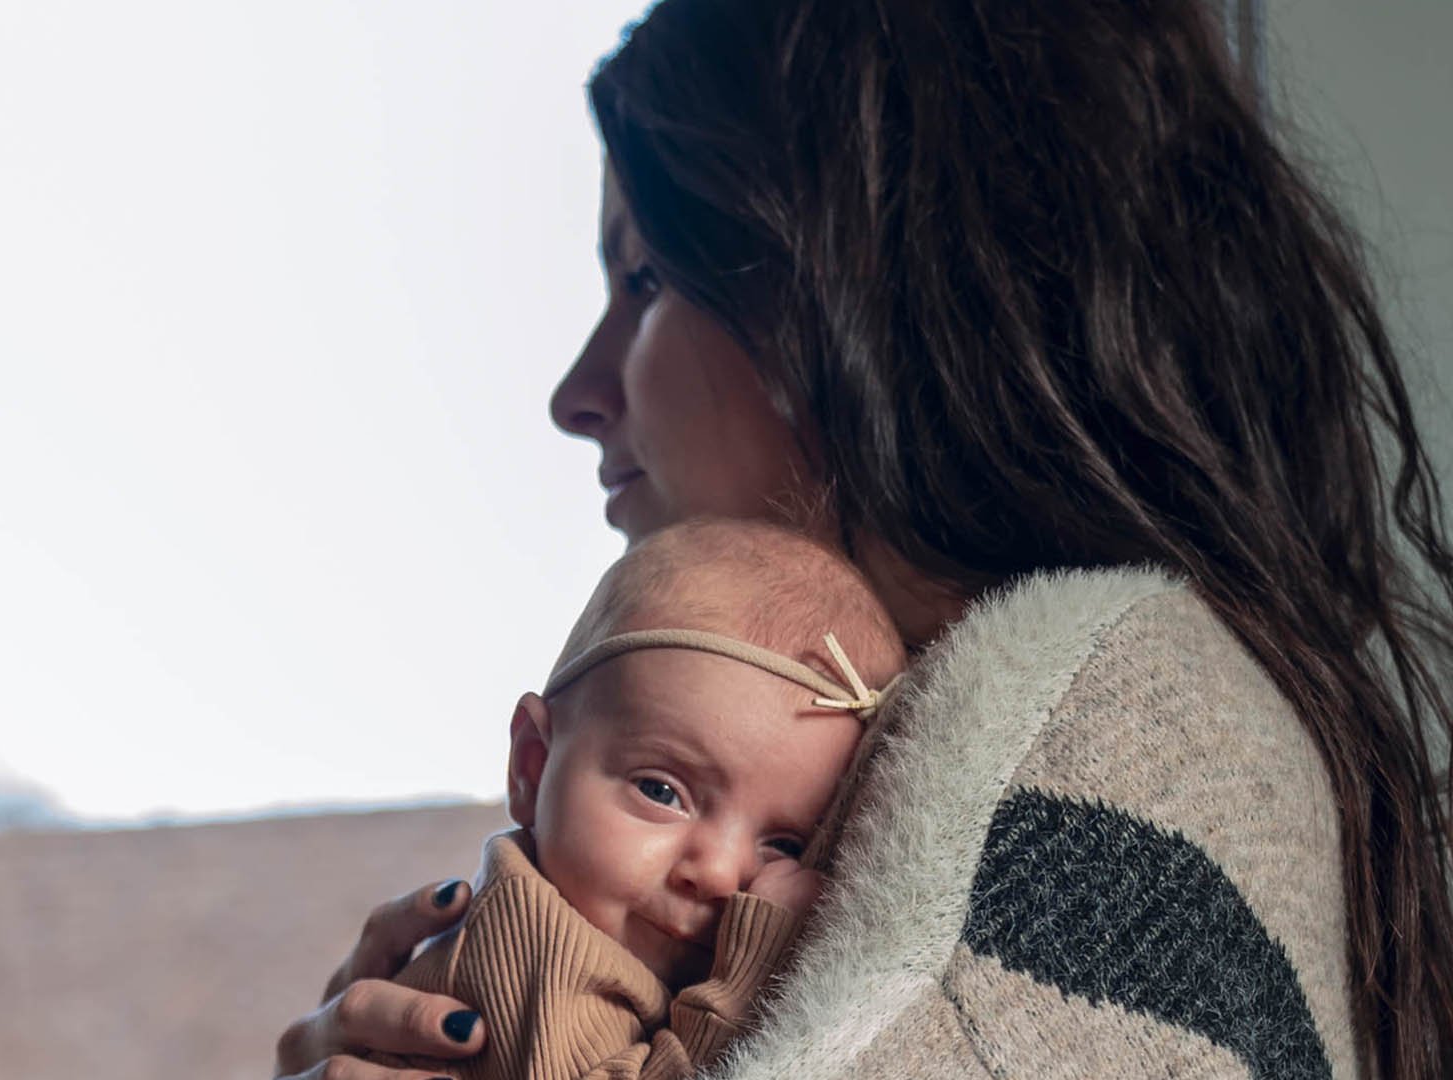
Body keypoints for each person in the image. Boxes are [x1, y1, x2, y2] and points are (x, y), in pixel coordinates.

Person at [273, 1, 1453, 1078]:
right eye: (664, 789)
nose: (577, 393)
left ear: (863, 292)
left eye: (643, 278)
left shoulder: (1123, 738)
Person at [367, 519, 904, 1080]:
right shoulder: (534, 947)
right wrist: (750, 988)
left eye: (784, 845)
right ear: (532, 767)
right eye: (660, 791)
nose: (720, 876)